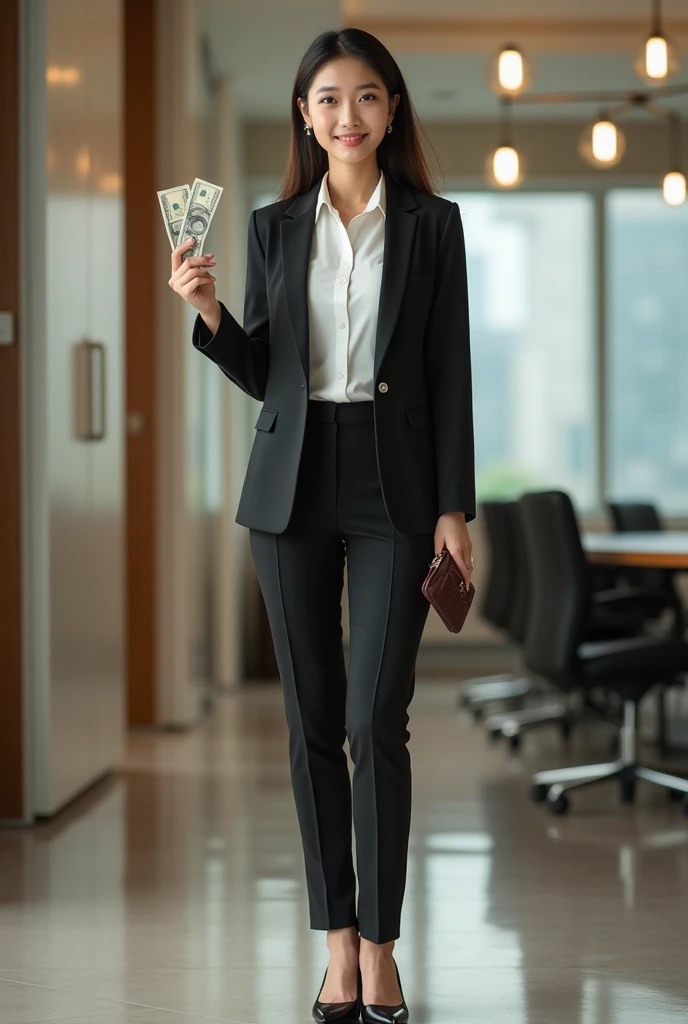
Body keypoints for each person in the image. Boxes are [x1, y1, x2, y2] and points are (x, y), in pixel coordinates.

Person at [169, 26, 475, 1024]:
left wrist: (452, 510)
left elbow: (450, 376)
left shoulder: (433, 226)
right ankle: (337, 948)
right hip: (290, 489)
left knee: (372, 717)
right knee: (309, 727)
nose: (349, 116)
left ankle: (383, 947)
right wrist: (211, 314)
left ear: (392, 111)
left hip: (396, 489)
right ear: (305, 112)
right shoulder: (270, 228)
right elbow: (271, 373)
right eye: (329, 99)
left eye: (368, 97)